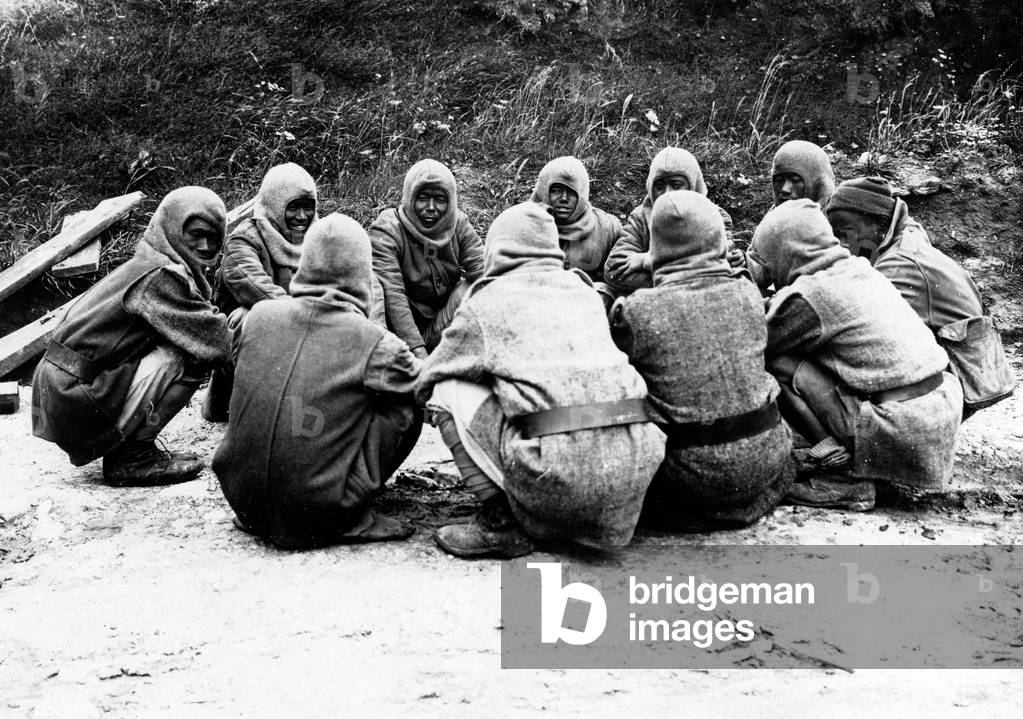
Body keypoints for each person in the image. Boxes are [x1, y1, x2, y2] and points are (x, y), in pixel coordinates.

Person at [415, 202, 665, 558]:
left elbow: (429, 376)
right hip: (633, 474)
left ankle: (500, 522)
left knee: (446, 389)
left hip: (557, 476)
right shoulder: (585, 294)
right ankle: (586, 517)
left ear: (498, 247)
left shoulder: (488, 302)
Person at [213, 214, 422, 549]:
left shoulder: (258, 316)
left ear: (303, 265)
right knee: (404, 406)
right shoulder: (375, 342)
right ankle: (351, 516)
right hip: (315, 514)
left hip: (242, 501)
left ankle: (272, 505)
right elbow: (426, 388)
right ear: (362, 273)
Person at [751, 200, 962, 511]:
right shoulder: (856, 268)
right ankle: (855, 457)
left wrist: (747, 280)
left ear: (785, 250)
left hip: (904, 427)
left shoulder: (812, 293)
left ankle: (844, 480)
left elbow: (754, 340)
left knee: (779, 364)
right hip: (938, 411)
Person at [610, 191, 794, 530]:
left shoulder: (638, 309)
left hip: (690, 478)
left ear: (658, 244)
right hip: (768, 462)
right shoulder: (747, 290)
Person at [32, 187, 231, 486]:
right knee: (192, 356)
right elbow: (217, 343)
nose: (205, 245)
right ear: (173, 227)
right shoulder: (163, 277)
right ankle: (132, 457)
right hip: (71, 394)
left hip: (61, 388)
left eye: (214, 237)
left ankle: (132, 447)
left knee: (184, 343)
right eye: (196, 234)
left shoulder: (149, 260)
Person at [203, 163, 387, 421]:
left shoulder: (323, 234)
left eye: (308, 206)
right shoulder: (244, 239)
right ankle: (225, 395)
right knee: (247, 316)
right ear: (275, 204)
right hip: (263, 330)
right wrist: (313, 319)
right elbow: (254, 285)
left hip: (309, 328)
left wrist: (374, 332)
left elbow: (366, 279)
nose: (302, 216)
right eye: (293, 207)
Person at [826, 176, 1016, 416]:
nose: (843, 245)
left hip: (965, 380)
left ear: (878, 224)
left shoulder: (898, 265)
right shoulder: (905, 232)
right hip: (974, 368)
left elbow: (861, 327)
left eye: (847, 233)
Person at [370, 159, 484, 359]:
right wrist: (418, 354)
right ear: (409, 197)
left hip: (442, 324)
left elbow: (485, 271)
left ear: (451, 202)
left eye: (440, 199)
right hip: (396, 337)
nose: (431, 207)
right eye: (422, 198)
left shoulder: (458, 223)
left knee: (476, 287)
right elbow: (393, 297)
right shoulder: (387, 230)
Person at [605, 147, 738, 297]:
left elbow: (723, 257)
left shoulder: (715, 215)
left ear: (693, 185)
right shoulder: (641, 218)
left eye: (676, 185)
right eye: (660, 186)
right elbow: (614, 269)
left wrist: (647, 260)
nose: (667, 194)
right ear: (650, 187)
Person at [528, 156, 623, 306]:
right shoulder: (521, 224)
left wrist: (602, 293)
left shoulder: (607, 228)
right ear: (543, 191)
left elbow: (620, 282)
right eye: (557, 190)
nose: (564, 198)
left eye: (572, 192)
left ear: (583, 194)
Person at [770, 140, 836, 207]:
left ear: (818, 184)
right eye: (778, 180)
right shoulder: (773, 216)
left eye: (795, 180)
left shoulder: (838, 216)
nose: (784, 189)